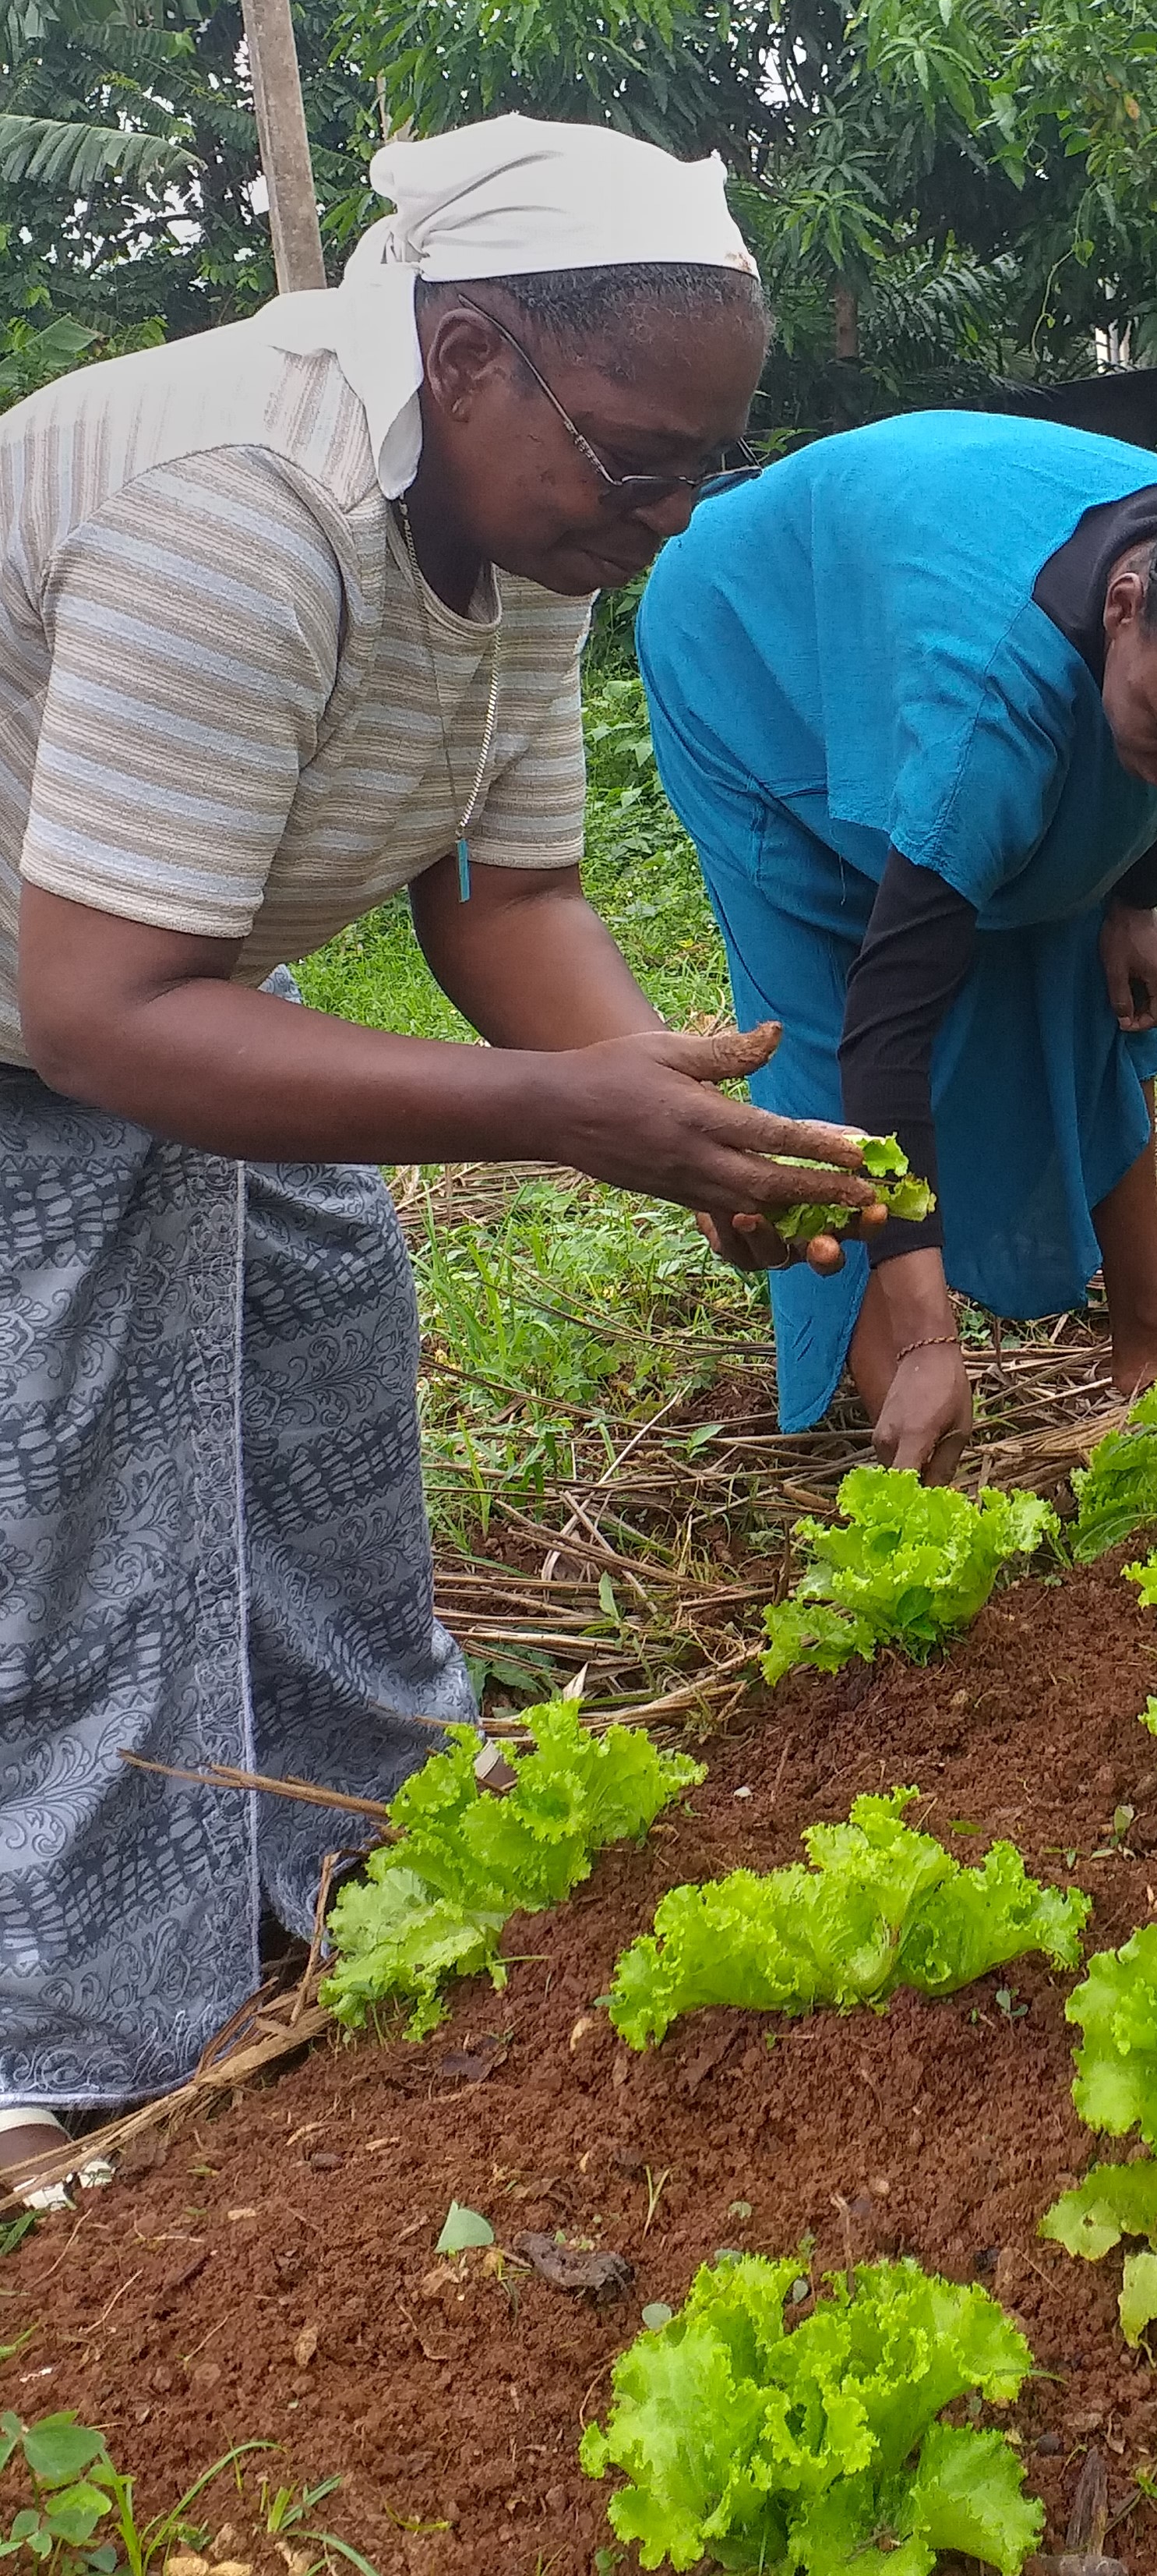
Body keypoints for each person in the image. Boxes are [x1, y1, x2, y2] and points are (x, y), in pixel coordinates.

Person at [0, 115, 878, 2193]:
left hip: (185, 961)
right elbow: (104, 1017)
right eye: (637, 457)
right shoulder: (249, 507)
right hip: (46, 1003)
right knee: (89, 1465)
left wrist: (687, 1141)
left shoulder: (523, 518)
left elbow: (503, 895)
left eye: (697, 467)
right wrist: (553, 1116)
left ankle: (356, 1821)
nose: (663, 515)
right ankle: (65, 2035)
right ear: (467, 349)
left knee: (318, 1325)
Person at [636, 414, 1157, 1482]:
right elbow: (885, 1028)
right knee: (822, 1020)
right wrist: (931, 1333)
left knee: (1077, 937)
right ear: (1122, 606)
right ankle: (910, 1433)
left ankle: (1151, 1316)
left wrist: (1132, 898)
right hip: (752, 652)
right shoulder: (988, 711)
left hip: (918, 592)